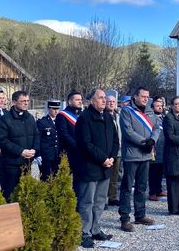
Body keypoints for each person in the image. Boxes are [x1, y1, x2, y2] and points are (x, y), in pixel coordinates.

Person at [75, 89, 119, 248]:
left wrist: (112, 157)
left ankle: (95, 229)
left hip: (105, 167)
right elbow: (86, 144)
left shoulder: (107, 117)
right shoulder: (84, 119)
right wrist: (103, 159)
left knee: (100, 201)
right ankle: (84, 232)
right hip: (90, 167)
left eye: (104, 98)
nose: (104, 101)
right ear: (92, 100)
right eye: (100, 98)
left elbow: (115, 139)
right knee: (87, 201)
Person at [118, 87, 160, 232]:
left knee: (142, 187)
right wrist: (144, 142)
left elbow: (157, 128)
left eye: (147, 96)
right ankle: (124, 219)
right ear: (135, 96)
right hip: (132, 154)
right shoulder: (126, 111)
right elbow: (128, 131)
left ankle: (140, 215)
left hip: (146, 154)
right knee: (127, 188)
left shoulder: (149, 111)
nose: (145, 99)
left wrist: (152, 141)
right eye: (143, 96)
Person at [0, 90, 40, 201]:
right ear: (14, 102)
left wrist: (35, 149)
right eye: (23, 101)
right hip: (11, 163)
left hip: (27, 162)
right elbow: (2, 141)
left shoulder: (29, 117)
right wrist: (21, 151)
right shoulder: (5, 119)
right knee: (10, 194)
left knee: (25, 193)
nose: (26, 103)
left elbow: (36, 135)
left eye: (27, 101)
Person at [56, 91, 83, 194]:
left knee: (79, 181)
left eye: (80, 100)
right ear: (70, 101)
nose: (80, 102)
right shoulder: (62, 115)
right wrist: (77, 146)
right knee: (65, 181)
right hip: (68, 152)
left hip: (80, 153)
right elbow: (64, 134)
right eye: (77, 100)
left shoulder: (81, 114)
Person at [36, 99, 62, 181]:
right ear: (49, 109)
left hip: (58, 155)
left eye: (57, 109)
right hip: (46, 156)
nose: (56, 111)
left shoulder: (61, 121)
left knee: (57, 179)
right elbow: (38, 139)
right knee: (46, 179)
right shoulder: (42, 122)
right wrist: (38, 155)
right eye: (53, 109)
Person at [148, 96, 167, 201]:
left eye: (161, 106)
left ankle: (159, 189)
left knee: (160, 170)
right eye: (157, 106)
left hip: (163, 147)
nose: (160, 108)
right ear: (153, 107)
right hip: (154, 147)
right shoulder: (151, 117)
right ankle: (152, 192)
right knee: (153, 171)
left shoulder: (164, 117)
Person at [106, 94, 121, 207]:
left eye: (113, 101)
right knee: (106, 175)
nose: (111, 103)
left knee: (115, 176)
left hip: (119, 150)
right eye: (109, 101)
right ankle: (104, 198)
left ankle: (113, 197)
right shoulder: (104, 115)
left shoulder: (118, 115)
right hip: (107, 151)